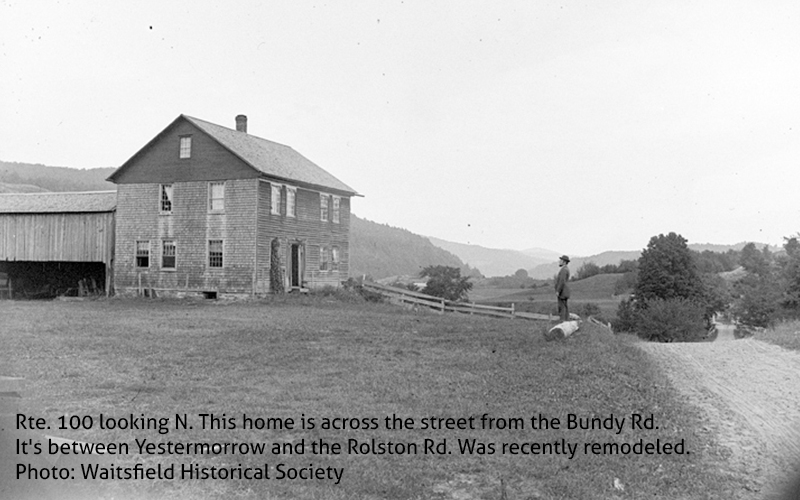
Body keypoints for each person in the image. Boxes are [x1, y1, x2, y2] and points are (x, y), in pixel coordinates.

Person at [555, 255, 571, 321]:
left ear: (564, 262)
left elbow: (562, 281)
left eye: (561, 260)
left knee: (562, 307)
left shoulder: (563, 270)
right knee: (565, 307)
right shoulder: (566, 269)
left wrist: (558, 291)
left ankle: (563, 322)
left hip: (562, 292)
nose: (559, 261)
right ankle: (566, 321)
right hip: (565, 291)